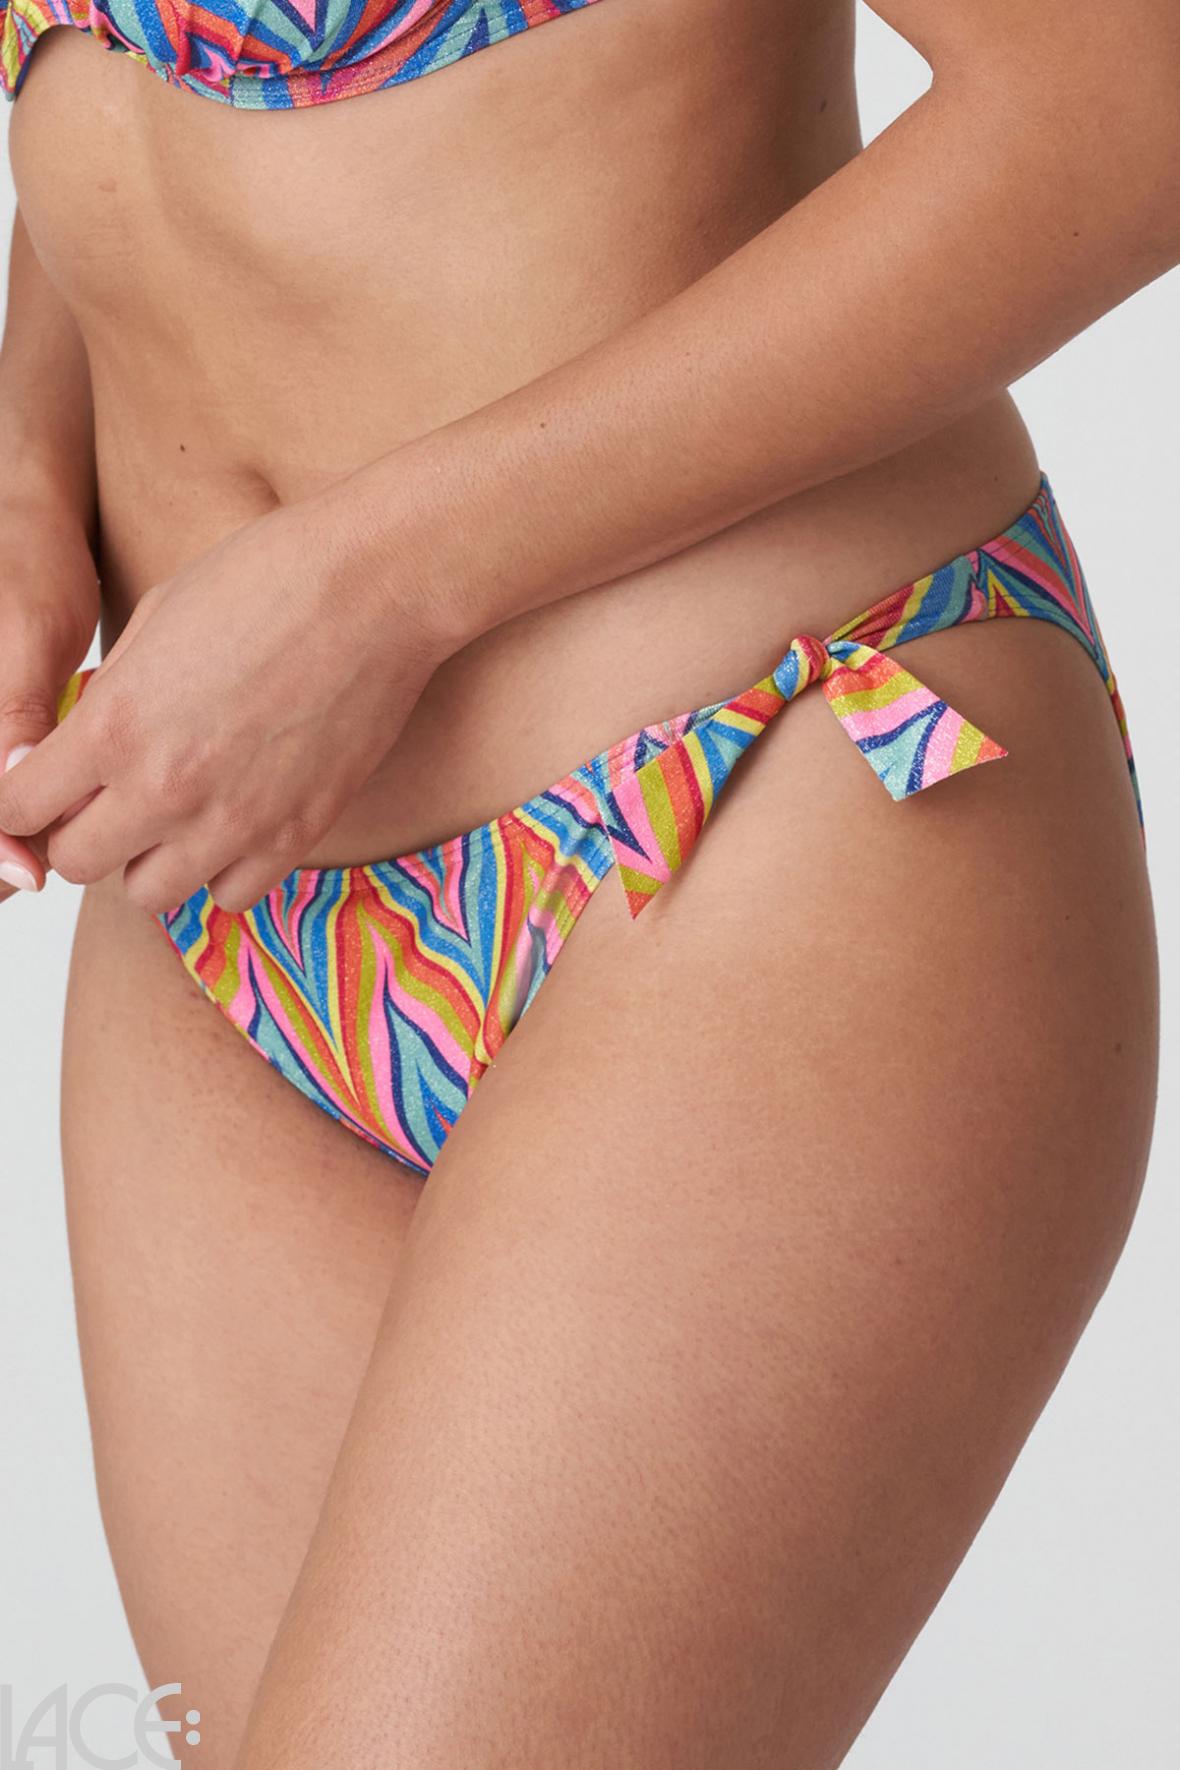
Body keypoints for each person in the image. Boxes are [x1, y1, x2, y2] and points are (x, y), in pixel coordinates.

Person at [0, 1, 1170, 1763]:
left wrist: (377, 589)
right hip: (229, 901)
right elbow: (135, 98)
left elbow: (1128, 108)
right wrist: (26, 462)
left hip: (752, 788)